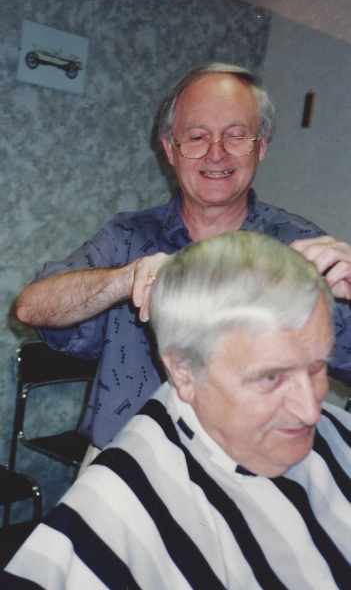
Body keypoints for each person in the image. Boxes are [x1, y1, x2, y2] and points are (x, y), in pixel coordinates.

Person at [15, 62, 351, 453]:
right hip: (124, 463)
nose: (215, 153)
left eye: (235, 136)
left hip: (251, 473)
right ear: (170, 150)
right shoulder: (128, 235)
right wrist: (125, 279)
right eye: (196, 137)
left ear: (261, 146)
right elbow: (31, 308)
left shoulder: (303, 247)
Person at [4, 231, 351, 589]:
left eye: (317, 367)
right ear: (183, 372)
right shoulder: (115, 511)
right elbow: (32, 306)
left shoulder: (337, 433)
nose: (312, 411)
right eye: (271, 378)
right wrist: (126, 276)